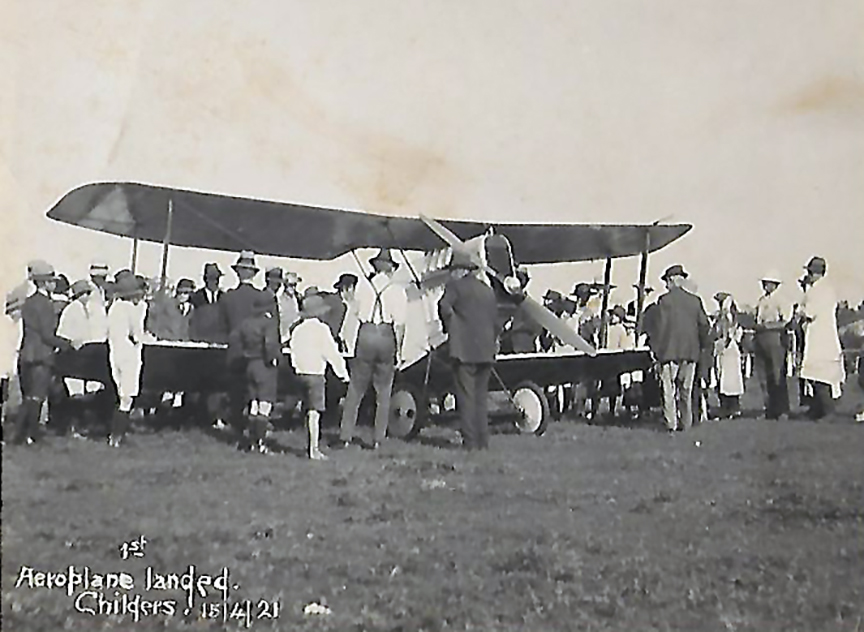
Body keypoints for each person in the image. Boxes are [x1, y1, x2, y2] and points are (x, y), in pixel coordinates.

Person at [337, 249, 408, 450]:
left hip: (366, 333)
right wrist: (399, 351)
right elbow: (400, 325)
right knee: (383, 391)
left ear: (375, 267)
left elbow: (355, 314)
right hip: (385, 334)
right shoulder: (397, 290)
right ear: (390, 269)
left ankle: (346, 436)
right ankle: (378, 438)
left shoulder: (362, 287)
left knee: (356, 388)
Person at [438, 251, 499, 450]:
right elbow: (496, 322)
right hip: (486, 351)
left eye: (453, 270)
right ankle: (483, 442)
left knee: (466, 398)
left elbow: (443, 306)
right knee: (481, 399)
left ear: (459, 270)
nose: (451, 274)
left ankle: (471, 444)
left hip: (463, 351)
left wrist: (451, 325)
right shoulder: (487, 290)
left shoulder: (455, 286)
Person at [12, 261, 74, 445]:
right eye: (52, 281)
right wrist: (68, 344)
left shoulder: (28, 302)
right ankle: (29, 435)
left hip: (26, 353)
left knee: (28, 397)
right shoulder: (46, 304)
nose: (54, 284)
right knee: (37, 397)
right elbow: (48, 335)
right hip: (42, 355)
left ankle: (20, 436)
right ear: (46, 283)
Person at [644, 264, 711, 433]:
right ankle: (686, 423)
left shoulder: (664, 301)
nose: (666, 285)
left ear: (673, 280)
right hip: (690, 352)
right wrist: (700, 345)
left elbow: (659, 328)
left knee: (668, 389)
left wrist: (655, 350)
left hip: (669, 352)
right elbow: (704, 326)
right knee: (686, 390)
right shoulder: (695, 301)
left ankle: (671, 423)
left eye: (667, 281)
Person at [289, 292, 350, 460]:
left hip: (300, 373)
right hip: (316, 374)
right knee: (314, 413)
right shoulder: (322, 330)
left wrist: (296, 368)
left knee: (306, 409)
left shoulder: (297, 330)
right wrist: (343, 374)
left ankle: (308, 443)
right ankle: (313, 449)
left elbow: (293, 352)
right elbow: (331, 354)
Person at [218, 251, 267, 438]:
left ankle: (237, 428)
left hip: (235, 348)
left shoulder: (228, 297)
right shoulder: (262, 296)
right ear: (254, 274)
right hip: (257, 349)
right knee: (256, 390)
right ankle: (254, 430)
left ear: (237, 273)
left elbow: (222, 326)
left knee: (236, 390)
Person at [106, 272, 153, 447]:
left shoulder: (114, 307)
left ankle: (116, 435)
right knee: (127, 396)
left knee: (121, 394)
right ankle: (117, 435)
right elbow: (136, 334)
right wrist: (147, 338)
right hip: (129, 354)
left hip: (115, 352)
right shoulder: (130, 309)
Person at [796, 256, 845, 420]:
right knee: (815, 373)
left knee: (820, 374)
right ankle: (817, 409)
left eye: (809, 272)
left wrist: (800, 310)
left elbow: (809, 312)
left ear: (815, 273)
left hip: (820, 336)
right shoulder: (825, 288)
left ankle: (828, 411)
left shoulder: (818, 290)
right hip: (821, 334)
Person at [234, 292, 281, 453]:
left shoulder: (246, 323)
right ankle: (261, 442)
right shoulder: (269, 323)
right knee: (265, 404)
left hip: (249, 364)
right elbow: (270, 343)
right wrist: (273, 359)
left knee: (253, 403)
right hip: (264, 365)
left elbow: (238, 342)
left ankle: (250, 442)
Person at [56, 280, 105, 437]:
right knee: (75, 391)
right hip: (73, 356)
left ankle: (86, 425)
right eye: (83, 294)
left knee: (91, 391)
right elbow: (63, 333)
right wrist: (72, 341)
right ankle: (73, 426)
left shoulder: (92, 310)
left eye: (87, 294)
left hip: (88, 356)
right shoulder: (71, 310)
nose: (85, 297)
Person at [754, 270, 790, 420]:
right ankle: (768, 409)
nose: (765, 285)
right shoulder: (762, 300)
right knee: (763, 376)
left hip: (776, 338)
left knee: (777, 375)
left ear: (774, 284)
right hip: (761, 338)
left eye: (767, 283)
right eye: (764, 283)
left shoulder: (782, 299)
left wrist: (769, 326)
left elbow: (786, 321)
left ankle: (782, 410)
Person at [713, 292, 744, 418]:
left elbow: (727, 335)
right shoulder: (724, 316)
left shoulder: (727, 317)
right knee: (726, 379)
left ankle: (729, 408)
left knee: (728, 379)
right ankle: (729, 407)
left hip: (729, 351)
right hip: (727, 351)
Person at [189, 263, 225, 343]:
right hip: (200, 340)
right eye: (211, 278)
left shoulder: (224, 298)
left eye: (216, 278)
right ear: (205, 279)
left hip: (219, 341)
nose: (214, 281)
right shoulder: (196, 297)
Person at [264, 267, 301, 343]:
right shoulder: (278, 297)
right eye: (290, 285)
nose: (292, 287)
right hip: (279, 336)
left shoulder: (297, 298)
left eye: (294, 285)